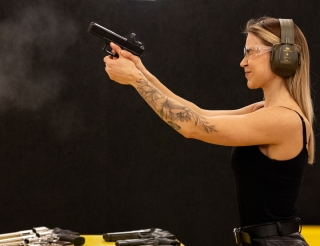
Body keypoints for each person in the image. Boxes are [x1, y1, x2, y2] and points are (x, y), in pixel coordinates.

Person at [104, 16, 314, 246]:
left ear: (283, 57)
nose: (243, 62)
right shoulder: (263, 110)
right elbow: (196, 114)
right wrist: (141, 72)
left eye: (250, 52)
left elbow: (191, 126)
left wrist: (135, 80)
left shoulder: (284, 119)